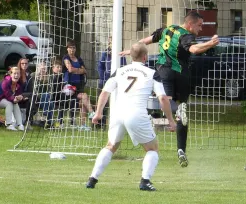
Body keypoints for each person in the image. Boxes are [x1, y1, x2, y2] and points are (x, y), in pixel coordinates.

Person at [121, 11, 219, 167]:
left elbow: (146, 40)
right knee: (182, 108)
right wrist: (210, 43)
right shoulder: (186, 35)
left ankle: (174, 116)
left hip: (164, 71)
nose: (200, 29)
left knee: (166, 101)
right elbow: (193, 50)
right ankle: (181, 149)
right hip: (181, 73)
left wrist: (132, 51)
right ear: (190, 24)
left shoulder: (166, 29)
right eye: (199, 25)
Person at [85, 43, 177, 191]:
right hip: (136, 114)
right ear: (145, 57)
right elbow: (163, 99)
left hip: (118, 113)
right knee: (152, 148)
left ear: (130, 56)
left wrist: (98, 113)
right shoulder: (151, 73)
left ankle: (92, 179)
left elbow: (104, 92)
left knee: (110, 146)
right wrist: (171, 121)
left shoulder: (119, 71)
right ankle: (145, 181)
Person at [62, 41, 95, 130]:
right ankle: (92, 112)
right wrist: (78, 70)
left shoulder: (79, 59)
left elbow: (84, 71)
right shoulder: (66, 58)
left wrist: (76, 70)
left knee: (83, 102)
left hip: (79, 84)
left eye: (74, 48)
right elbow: (70, 69)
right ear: (67, 48)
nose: (72, 50)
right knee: (84, 96)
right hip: (69, 86)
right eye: (70, 48)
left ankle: (82, 125)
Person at [0, 66, 26, 130]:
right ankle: (9, 124)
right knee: (9, 103)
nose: (16, 75)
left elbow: (18, 94)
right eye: (14, 73)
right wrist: (14, 99)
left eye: (18, 73)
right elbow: (8, 95)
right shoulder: (6, 82)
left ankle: (20, 125)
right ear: (11, 74)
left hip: (6, 100)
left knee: (15, 104)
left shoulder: (19, 83)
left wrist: (20, 97)